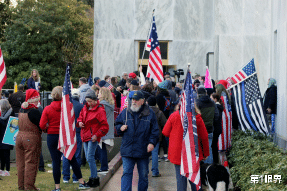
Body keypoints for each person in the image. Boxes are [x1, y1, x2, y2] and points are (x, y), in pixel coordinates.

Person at [40, 86, 90, 191]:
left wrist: (47, 129)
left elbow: (42, 124)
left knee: (56, 161)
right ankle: (81, 182)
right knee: (71, 158)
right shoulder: (68, 107)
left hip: (52, 136)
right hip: (65, 135)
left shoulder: (47, 108)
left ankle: (57, 187)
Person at [115, 91, 159, 191]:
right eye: (132, 99)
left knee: (143, 175)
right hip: (128, 149)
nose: (134, 101)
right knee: (126, 173)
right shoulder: (125, 112)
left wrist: (152, 143)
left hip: (143, 150)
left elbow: (155, 131)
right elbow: (117, 124)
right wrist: (120, 127)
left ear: (142, 101)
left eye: (136, 99)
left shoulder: (150, 113)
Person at [162, 102, 209, 191]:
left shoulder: (173, 116)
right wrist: (205, 152)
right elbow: (204, 136)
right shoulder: (197, 118)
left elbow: (165, 132)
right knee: (195, 181)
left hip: (178, 153)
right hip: (193, 153)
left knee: (180, 181)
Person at [77, 89, 109, 187]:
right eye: (88, 101)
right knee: (88, 157)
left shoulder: (100, 110)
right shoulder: (85, 108)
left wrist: (97, 135)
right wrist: (79, 122)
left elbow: (105, 126)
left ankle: (94, 178)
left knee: (90, 157)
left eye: (91, 101)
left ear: (95, 100)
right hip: (85, 135)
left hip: (93, 136)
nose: (89, 103)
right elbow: (80, 117)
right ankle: (93, 177)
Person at [16, 89, 42, 190]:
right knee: (31, 163)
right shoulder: (34, 111)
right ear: (33, 100)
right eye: (37, 100)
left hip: (19, 137)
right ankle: (29, 186)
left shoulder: (21, 109)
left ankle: (21, 185)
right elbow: (41, 125)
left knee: (21, 163)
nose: (38, 102)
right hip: (31, 138)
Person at [62, 89, 84, 183]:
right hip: (78, 132)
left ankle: (66, 177)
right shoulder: (81, 106)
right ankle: (76, 177)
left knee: (66, 154)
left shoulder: (66, 105)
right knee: (77, 155)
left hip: (67, 133)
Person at [196, 85, 219, 164]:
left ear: (198, 93)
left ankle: (202, 168)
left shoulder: (197, 103)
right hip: (209, 129)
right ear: (206, 93)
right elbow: (216, 115)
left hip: (199, 130)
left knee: (198, 149)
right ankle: (209, 168)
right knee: (208, 149)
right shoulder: (212, 102)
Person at [147, 96, 167, 177]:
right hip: (156, 135)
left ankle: (145, 171)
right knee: (155, 153)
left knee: (146, 154)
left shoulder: (145, 111)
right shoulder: (159, 112)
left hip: (145, 135)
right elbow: (165, 123)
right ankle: (155, 172)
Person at [97, 87, 114, 174]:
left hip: (102, 129)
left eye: (99, 93)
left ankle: (104, 167)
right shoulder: (110, 104)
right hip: (108, 129)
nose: (98, 94)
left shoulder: (102, 105)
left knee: (101, 148)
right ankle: (104, 166)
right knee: (102, 148)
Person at [0, 100, 14, 177]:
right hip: (1, 135)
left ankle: (7, 170)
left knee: (6, 154)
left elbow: (10, 124)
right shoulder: (2, 113)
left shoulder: (11, 112)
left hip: (8, 135)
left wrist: (0, 120)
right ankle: (1, 169)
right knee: (1, 153)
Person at [210, 93, 224, 164]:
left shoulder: (216, 107)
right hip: (218, 128)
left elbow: (216, 119)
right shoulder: (219, 106)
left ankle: (215, 161)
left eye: (211, 98)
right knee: (214, 145)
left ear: (215, 99)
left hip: (216, 129)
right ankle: (216, 160)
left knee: (213, 146)